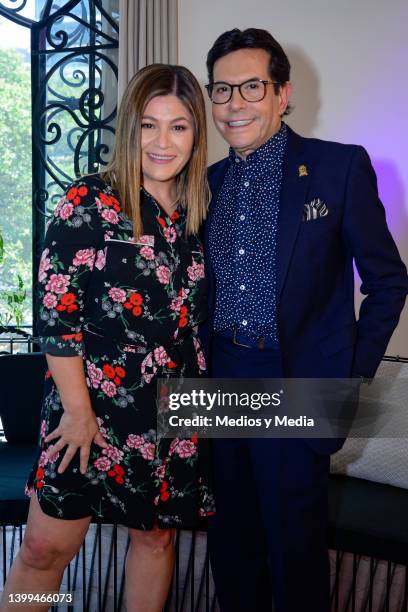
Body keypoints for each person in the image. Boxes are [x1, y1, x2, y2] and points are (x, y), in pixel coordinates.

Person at [201, 28, 408, 612]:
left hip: (297, 381)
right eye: (221, 90)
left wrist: (347, 379)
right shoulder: (206, 184)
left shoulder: (338, 168)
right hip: (218, 380)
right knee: (230, 549)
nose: (234, 103)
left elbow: (389, 282)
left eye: (251, 87)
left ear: (282, 93)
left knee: (295, 555)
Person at [0, 64, 215, 612]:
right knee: (46, 549)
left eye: (179, 126)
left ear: (196, 134)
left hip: (173, 409)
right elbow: (57, 316)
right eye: (148, 125)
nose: (163, 142)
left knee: (156, 537)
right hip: (86, 411)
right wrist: (77, 412)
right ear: (128, 131)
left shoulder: (201, 210)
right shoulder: (89, 201)